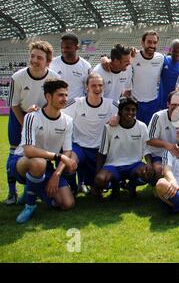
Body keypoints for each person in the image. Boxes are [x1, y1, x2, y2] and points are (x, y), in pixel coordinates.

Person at [10, 79, 77, 223]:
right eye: (60, 95)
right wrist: (60, 157)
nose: (64, 99)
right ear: (48, 97)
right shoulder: (31, 117)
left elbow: (67, 151)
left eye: (66, 95)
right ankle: (30, 205)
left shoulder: (68, 121)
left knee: (67, 203)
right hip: (21, 162)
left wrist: (56, 175)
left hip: (46, 166)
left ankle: (32, 188)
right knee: (38, 163)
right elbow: (28, 151)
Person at [5, 41, 60, 205]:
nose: (35, 60)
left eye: (40, 58)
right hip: (19, 115)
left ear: (48, 61)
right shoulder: (18, 77)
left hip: (42, 117)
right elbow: (14, 104)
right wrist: (25, 123)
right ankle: (11, 191)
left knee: (39, 153)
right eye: (33, 56)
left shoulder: (54, 78)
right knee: (15, 151)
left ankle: (32, 189)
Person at [62, 73, 118, 194]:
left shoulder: (111, 104)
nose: (97, 89)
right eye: (93, 85)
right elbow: (57, 113)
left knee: (101, 185)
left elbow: (129, 115)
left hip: (101, 150)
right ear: (87, 87)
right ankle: (73, 187)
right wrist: (37, 112)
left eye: (100, 85)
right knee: (68, 164)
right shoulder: (76, 103)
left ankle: (94, 184)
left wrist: (119, 118)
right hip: (79, 147)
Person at [94, 96, 154, 200]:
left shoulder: (142, 126)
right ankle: (115, 185)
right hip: (113, 166)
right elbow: (102, 152)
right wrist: (97, 174)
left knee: (149, 173)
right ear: (120, 111)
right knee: (100, 179)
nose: (130, 112)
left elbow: (146, 149)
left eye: (133, 110)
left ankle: (132, 185)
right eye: (127, 109)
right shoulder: (109, 127)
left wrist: (149, 163)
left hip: (134, 165)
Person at [147, 91, 179, 178]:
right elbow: (149, 140)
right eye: (174, 104)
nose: (176, 107)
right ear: (168, 104)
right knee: (159, 169)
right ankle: (160, 187)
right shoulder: (158, 116)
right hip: (159, 154)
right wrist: (167, 145)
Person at [129, 31, 164, 125]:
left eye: (154, 42)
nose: (152, 45)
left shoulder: (160, 58)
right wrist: (104, 59)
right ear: (142, 42)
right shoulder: (133, 56)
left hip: (153, 103)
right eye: (149, 42)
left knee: (149, 132)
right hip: (136, 102)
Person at [49, 33, 92, 100]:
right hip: (58, 106)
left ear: (76, 47)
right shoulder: (53, 63)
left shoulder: (86, 66)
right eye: (62, 47)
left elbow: (88, 89)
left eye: (67, 47)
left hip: (77, 107)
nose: (64, 50)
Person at [159, 39, 179, 109]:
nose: (177, 54)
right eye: (175, 51)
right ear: (170, 50)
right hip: (162, 101)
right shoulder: (163, 60)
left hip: (177, 103)